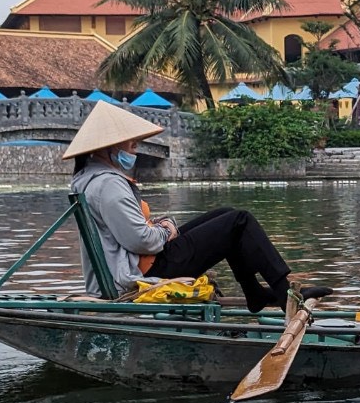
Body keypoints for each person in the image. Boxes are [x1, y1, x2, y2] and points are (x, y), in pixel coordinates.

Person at [63, 101, 322, 312]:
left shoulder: (89, 180)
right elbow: (142, 242)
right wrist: (166, 231)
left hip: (146, 260)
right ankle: (285, 291)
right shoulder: (108, 184)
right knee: (239, 221)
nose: (136, 149)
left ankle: (255, 292)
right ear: (108, 148)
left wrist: (164, 227)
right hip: (148, 269)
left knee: (227, 215)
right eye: (131, 144)